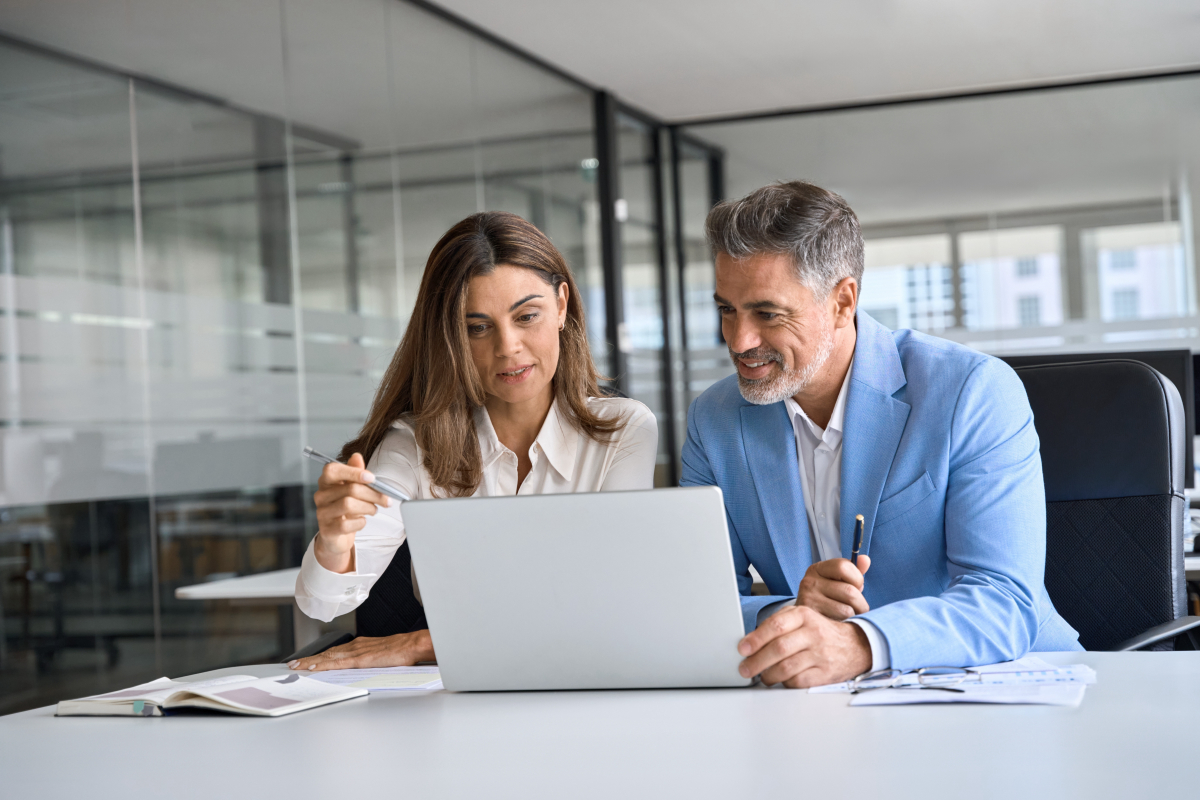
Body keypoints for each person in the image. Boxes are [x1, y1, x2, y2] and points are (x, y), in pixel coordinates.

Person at [681, 180, 1082, 689]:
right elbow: (698, 606)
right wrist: (792, 618)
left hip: (999, 687)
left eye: (767, 313)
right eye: (727, 310)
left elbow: (1004, 601)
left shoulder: (972, 391)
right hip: (817, 708)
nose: (740, 341)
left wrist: (859, 643)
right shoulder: (714, 419)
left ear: (843, 301)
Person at [289, 211, 658, 671]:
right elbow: (322, 604)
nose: (508, 347)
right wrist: (334, 541)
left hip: (578, 684)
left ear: (562, 306)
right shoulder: (415, 442)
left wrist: (425, 644)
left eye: (526, 316)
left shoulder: (624, 431)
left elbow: (606, 608)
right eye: (477, 327)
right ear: (451, 336)